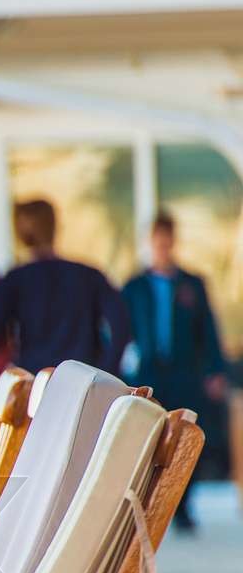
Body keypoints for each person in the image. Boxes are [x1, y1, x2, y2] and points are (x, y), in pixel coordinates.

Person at [121, 211, 231, 531]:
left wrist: (215, 369)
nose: (163, 247)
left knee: (185, 438)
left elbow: (207, 330)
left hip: (184, 371)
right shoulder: (134, 287)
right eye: (158, 242)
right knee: (147, 438)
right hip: (148, 372)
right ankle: (147, 503)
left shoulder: (192, 285)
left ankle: (183, 506)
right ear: (151, 242)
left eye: (167, 242)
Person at [0, 199, 130, 373]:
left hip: (38, 380)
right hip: (84, 379)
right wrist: (106, 370)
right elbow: (121, 326)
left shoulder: (15, 280)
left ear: (21, 234)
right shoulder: (88, 275)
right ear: (55, 227)